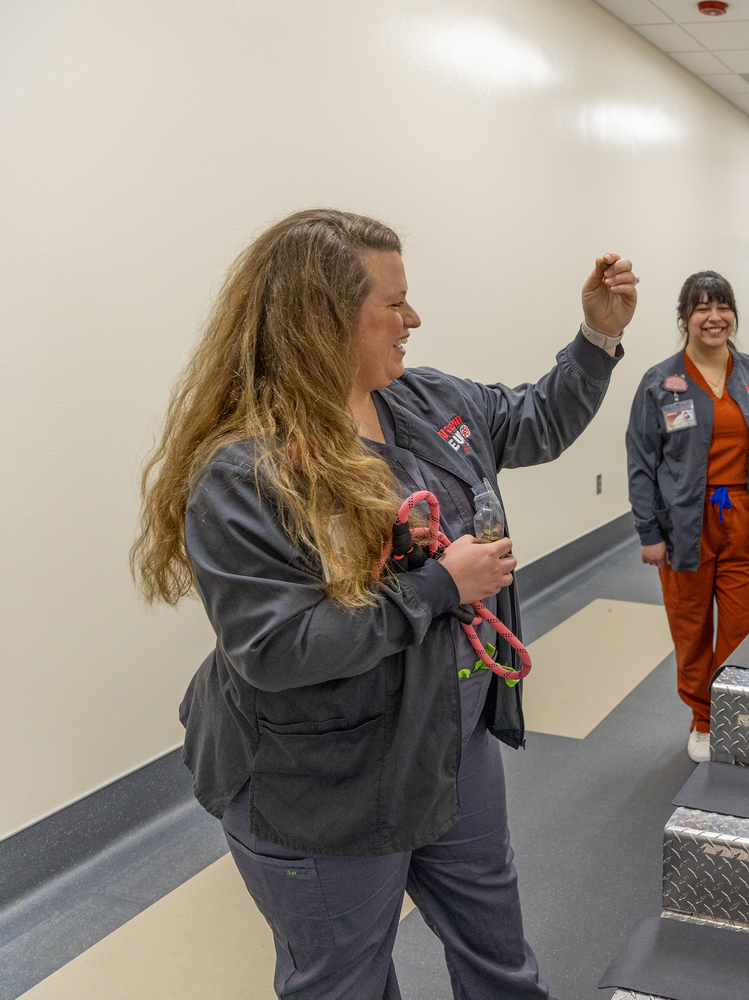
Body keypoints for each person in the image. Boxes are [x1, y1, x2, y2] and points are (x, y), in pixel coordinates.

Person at [131, 209, 636, 999]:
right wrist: (438, 587)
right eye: (393, 304)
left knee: (500, 958)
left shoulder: (428, 403)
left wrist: (597, 338)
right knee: (346, 982)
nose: (414, 319)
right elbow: (277, 647)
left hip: (449, 740)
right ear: (325, 321)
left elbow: (537, 419)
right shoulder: (246, 470)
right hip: (324, 780)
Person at [625, 271, 749, 762]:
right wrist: (648, 531)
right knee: (691, 628)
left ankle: (734, 716)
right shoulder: (661, 382)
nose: (713, 317)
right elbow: (641, 460)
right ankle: (704, 720)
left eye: (722, 306)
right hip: (684, 526)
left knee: (741, 631)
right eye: (701, 307)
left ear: (733, 314)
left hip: (747, 521)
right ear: (684, 317)